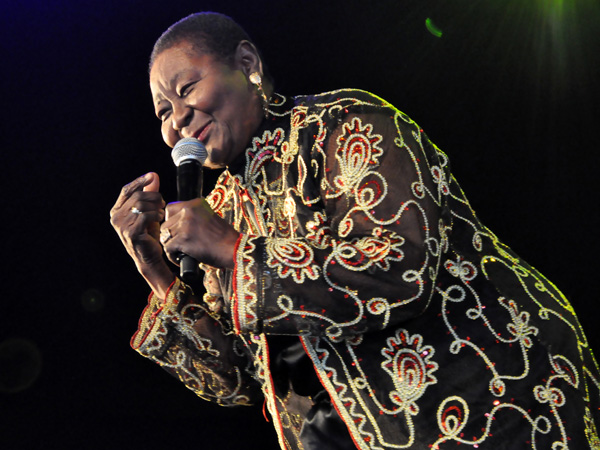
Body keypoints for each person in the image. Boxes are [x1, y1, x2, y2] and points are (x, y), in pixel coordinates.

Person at [110, 12, 600, 450]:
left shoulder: (344, 124)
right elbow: (236, 380)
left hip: (488, 403)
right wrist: (155, 269)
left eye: (187, 89)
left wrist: (235, 250)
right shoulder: (222, 209)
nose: (177, 118)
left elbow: (403, 270)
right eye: (161, 111)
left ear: (247, 63)